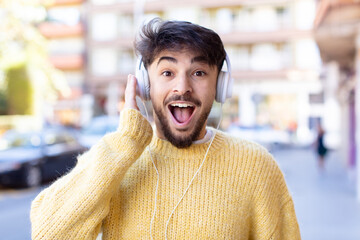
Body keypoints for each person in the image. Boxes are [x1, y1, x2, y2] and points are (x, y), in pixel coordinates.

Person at [30, 18, 301, 239]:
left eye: (198, 73)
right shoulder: (116, 161)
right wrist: (127, 139)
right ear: (145, 84)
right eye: (167, 73)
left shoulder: (255, 165)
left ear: (220, 86)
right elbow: (47, 233)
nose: (182, 87)